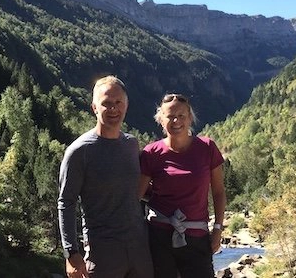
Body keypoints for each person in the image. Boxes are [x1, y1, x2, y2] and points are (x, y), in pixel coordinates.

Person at [57, 76, 154, 278]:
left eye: (118, 102)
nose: (113, 109)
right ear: (94, 107)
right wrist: (71, 253)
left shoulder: (131, 144)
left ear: (126, 105)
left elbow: (138, 189)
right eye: (106, 104)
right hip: (103, 252)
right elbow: (66, 202)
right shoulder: (79, 151)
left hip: (139, 249)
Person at [139, 93, 226, 278]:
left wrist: (218, 229)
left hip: (197, 236)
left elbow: (218, 192)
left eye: (181, 115)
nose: (176, 120)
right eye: (170, 116)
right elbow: (136, 195)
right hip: (159, 237)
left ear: (190, 118)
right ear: (161, 120)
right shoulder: (151, 153)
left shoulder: (207, 148)